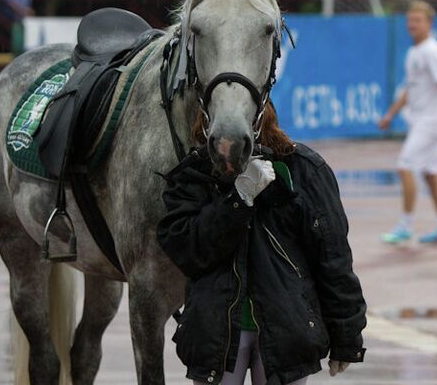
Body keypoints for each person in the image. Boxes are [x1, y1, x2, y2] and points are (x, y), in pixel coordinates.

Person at [157, 101, 367, 385]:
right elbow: (188, 251)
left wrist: (347, 335)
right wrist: (238, 200)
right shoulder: (194, 175)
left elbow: (332, 256)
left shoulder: (305, 169)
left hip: (287, 331)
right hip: (217, 334)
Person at [378, 1, 437, 245]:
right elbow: (408, 90)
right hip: (420, 122)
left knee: (405, 166)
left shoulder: (432, 51)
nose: (412, 25)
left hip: (431, 121)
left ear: (429, 24)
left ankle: (405, 225)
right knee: (431, 174)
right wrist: (390, 115)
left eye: (418, 20)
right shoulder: (415, 51)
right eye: (410, 20)